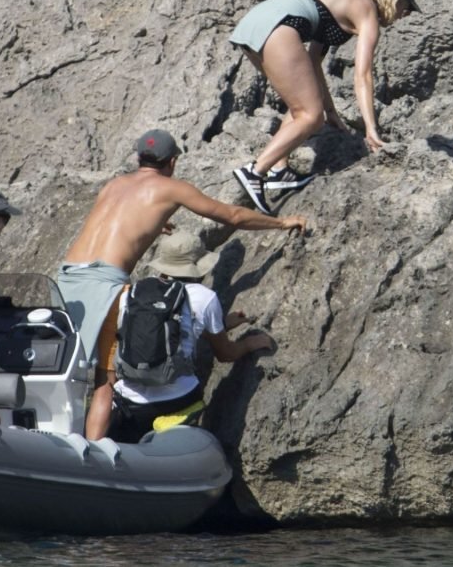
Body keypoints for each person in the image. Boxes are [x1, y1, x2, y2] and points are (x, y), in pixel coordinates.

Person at [57, 128, 306, 440]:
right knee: (105, 382)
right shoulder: (172, 188)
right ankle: (92, 455)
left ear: (139, 157)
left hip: (66, 279)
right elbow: (232, 216)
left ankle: (52, 435)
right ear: (172, 161)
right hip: (104, 285)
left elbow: (114, 223)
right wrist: (281, 222)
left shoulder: (113, 185)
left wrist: (154, 223)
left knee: (64, 368)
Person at [230, 0, 420, 214]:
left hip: (254, 23)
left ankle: (279, 170)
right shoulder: (367, 10)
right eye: (407, 8)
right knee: (311, 116)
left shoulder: (343, 1)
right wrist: (371, 128)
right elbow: (363, 75)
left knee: (301, 105)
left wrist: (331, 111)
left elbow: (312, 66)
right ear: (396, 0)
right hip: (278, 28)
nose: (405, 15)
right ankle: (255, 171)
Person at [108, 231, 273, 443]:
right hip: (178, 399)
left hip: (129, 400)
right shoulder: (205, 297)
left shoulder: (134, 293)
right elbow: (226, 354)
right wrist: (250, 343)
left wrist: (222, 324)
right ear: (197, 266)